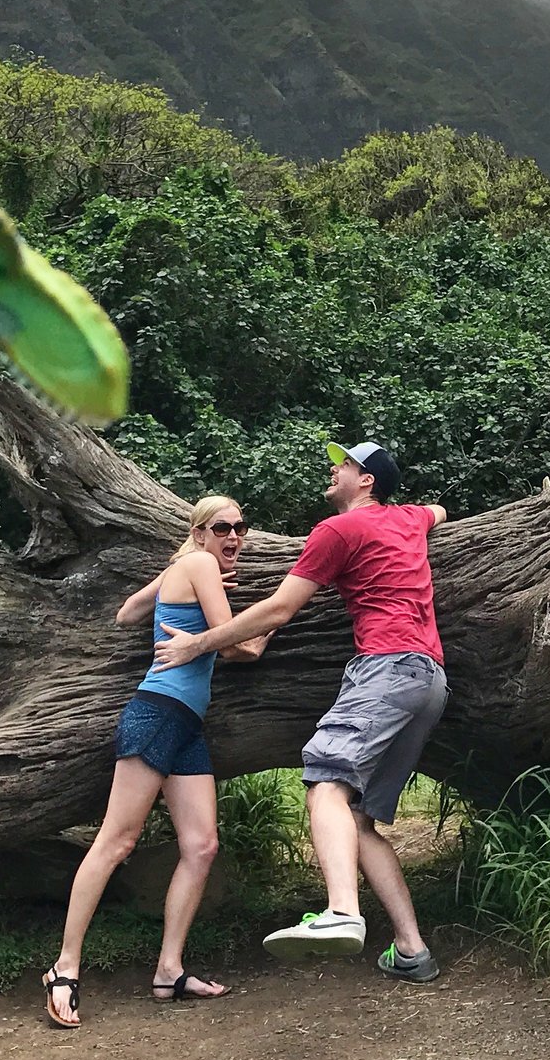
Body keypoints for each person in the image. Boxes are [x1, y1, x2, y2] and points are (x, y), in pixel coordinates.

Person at [153, 439, 446, 982]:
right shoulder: (408, 519)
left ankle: (341, 913)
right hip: (429, 679)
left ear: (366, 482)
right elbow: (438, 511)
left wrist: (198, 643)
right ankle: (411, 950)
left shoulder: (337, 530)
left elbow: (281, 607)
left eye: (347, 465)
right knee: (358, 819)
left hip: (384, 667)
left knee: (325, 784)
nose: (335, 469)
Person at [42, 495, 265, 1029]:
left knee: (202, 845)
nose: (233, 537)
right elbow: (242, 650)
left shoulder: (184, 566)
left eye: (241, 528)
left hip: (185, 723)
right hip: (158, 712)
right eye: (222, 528)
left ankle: (169, 968)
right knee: (116, 841)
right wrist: (274, 617)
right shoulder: (199, 563)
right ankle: (64, 969)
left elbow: (127, 613)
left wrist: (183, 596)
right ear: (199, 532)